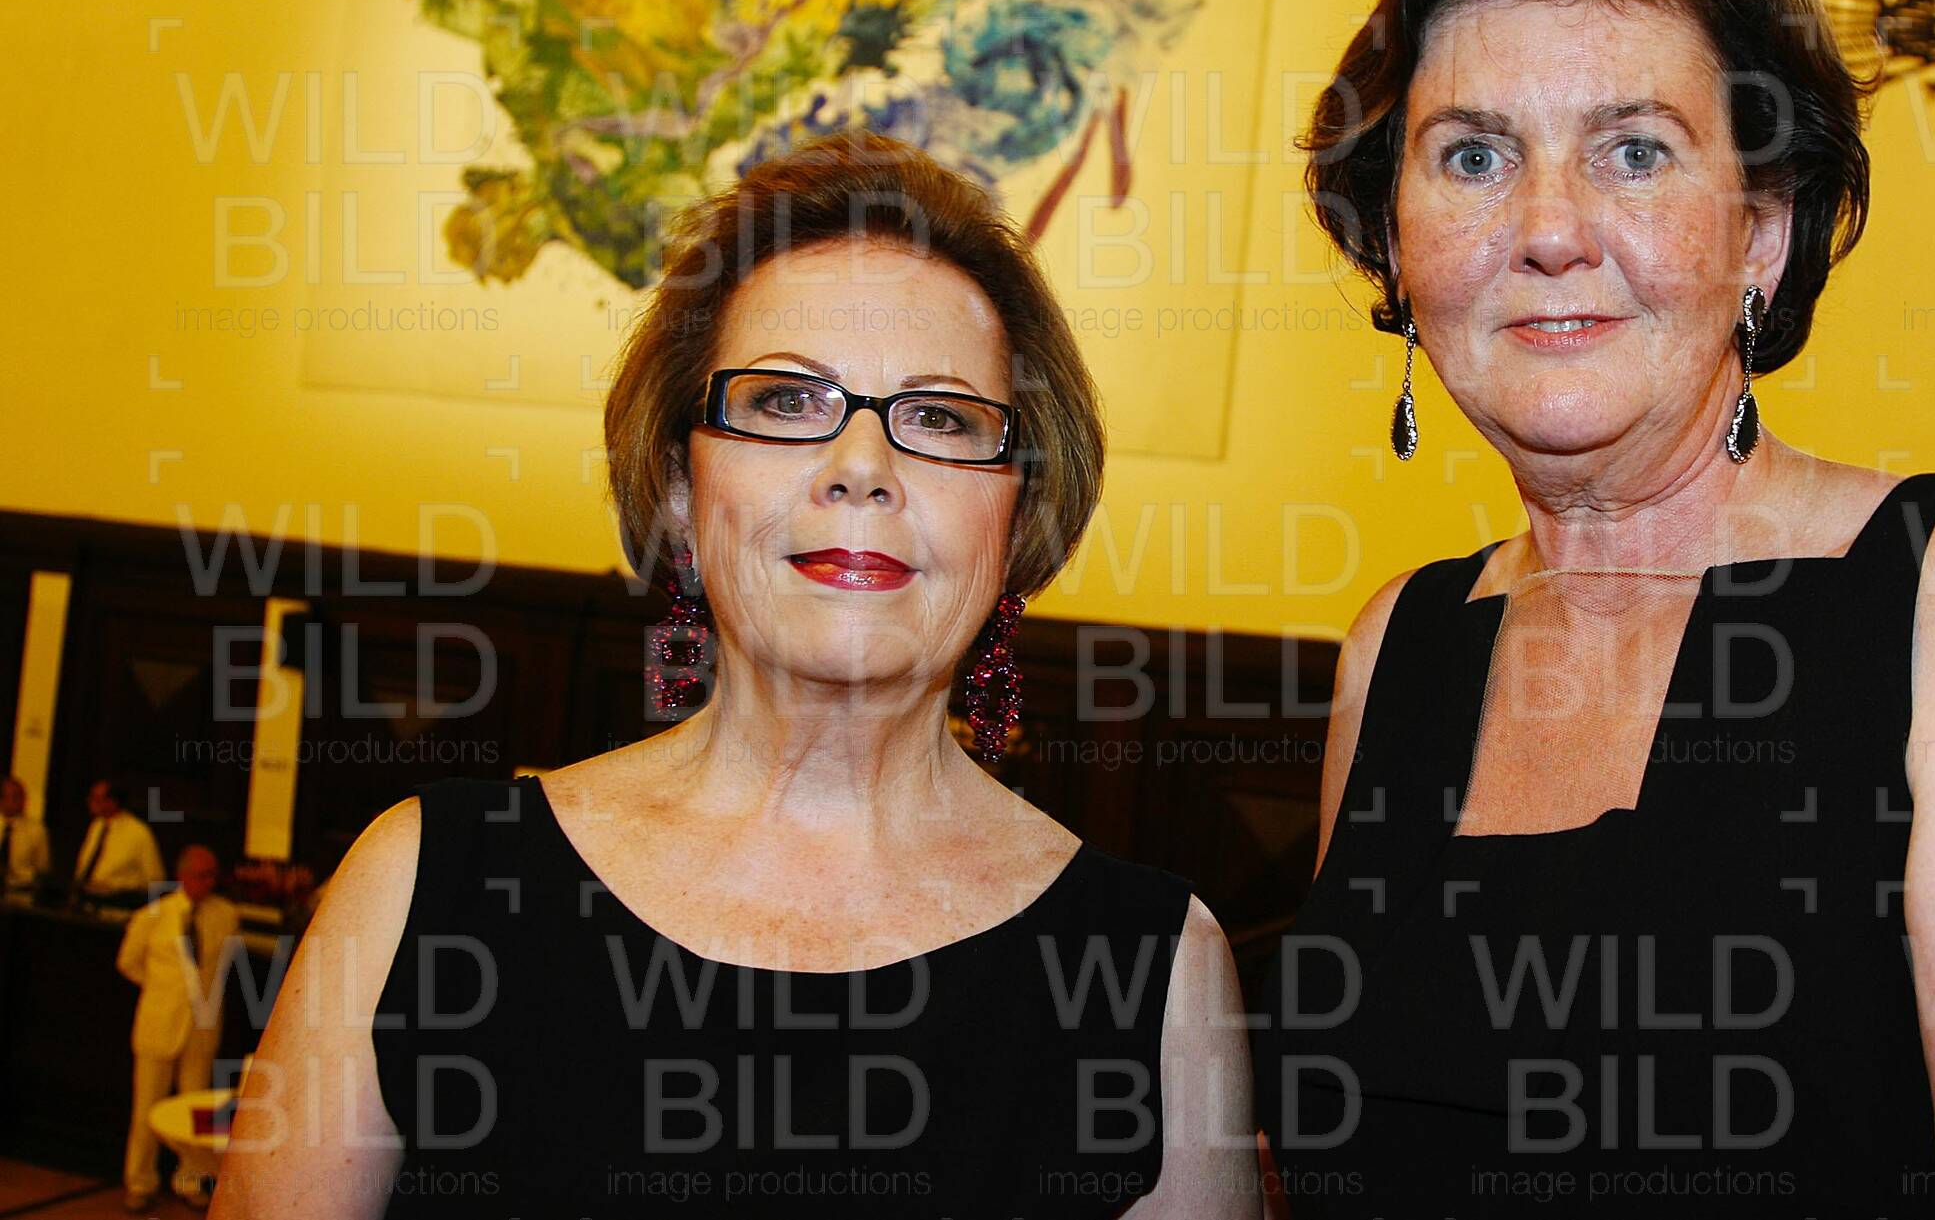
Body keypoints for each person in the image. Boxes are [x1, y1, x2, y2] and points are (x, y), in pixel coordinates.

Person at [1250, 0, 1935, 1217]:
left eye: (1635, 150)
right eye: (1474, 155)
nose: (1551, 229)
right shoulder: (1398, 645)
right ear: (1396, 238)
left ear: (1761, 229)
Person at [213, 134, 1256, 1218]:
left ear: (1018, 507)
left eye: (939, 417)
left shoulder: (1156, 969)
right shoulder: (425, 884)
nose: (862, 468)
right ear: (679, 482)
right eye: (786, 402)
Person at [118, 843, 239, 1210]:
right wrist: (162, 990)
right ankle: (139, 1182)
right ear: (183, 876)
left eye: (213, 875)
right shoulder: (153, 915)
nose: (209, 882)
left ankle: (189, 1180)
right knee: (146, 1108)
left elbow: (223, 966)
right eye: (202, 875)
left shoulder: (225, 915)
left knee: (196, 1112)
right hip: (159, 1023)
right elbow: (128, 963)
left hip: (201, 1029)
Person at [73, 778, 167, 905]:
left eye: (96, 798)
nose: (90, 802)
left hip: (118, 904)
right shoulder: (97, 825)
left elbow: (155, 879)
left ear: (113, 802)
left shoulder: (138, 832)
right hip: (87, 900)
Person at [1, 775, 51, 893]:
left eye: (21, 797)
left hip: (20, 889)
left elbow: (42, 868)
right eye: (14, 796)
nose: (18, 802)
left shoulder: (36, 830)